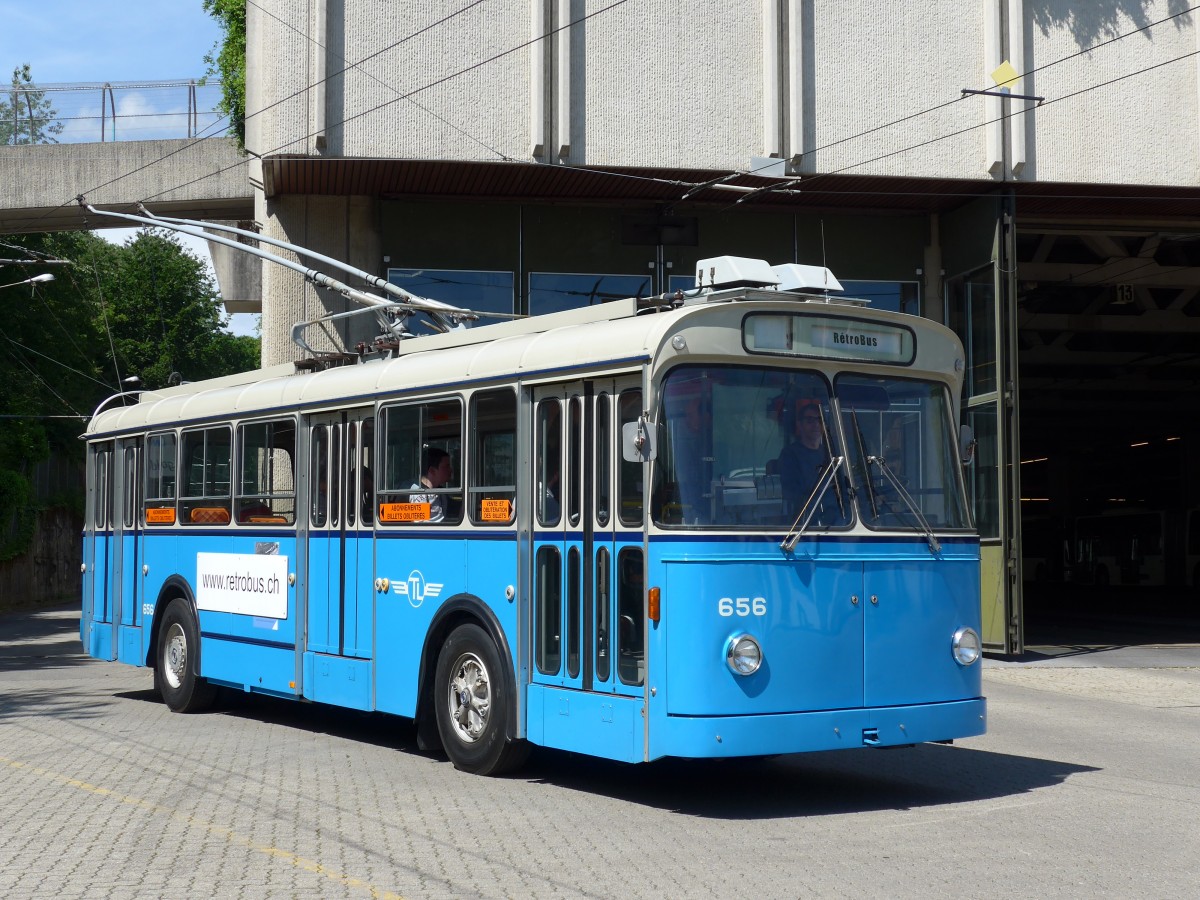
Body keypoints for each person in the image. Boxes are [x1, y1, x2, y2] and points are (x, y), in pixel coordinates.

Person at [778, 403, 832, 517]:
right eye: (810, 420)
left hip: (833, 514)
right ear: (800, 424)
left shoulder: (830, 454)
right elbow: (791, 492)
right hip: (804, 518)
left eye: (820, 420)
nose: (816, 425)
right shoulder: (790, 454)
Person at [409, 447, 452, 523]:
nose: (450, 470)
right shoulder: (416, 493)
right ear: (432, 470)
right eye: (446, 466)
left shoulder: (441, 491)